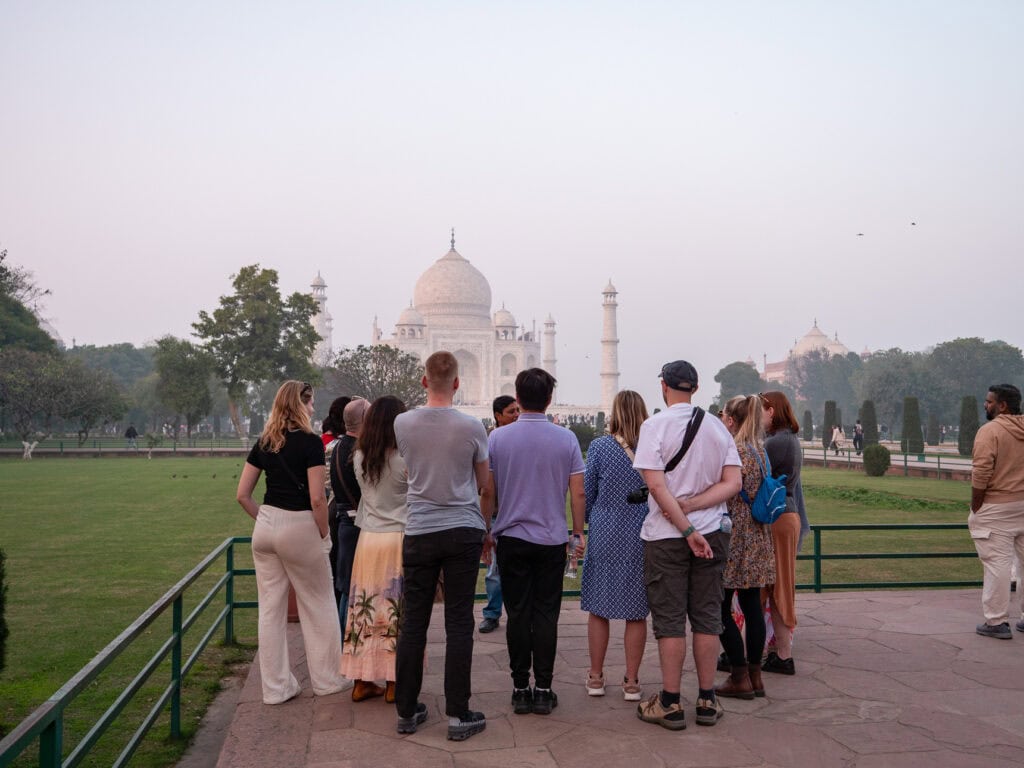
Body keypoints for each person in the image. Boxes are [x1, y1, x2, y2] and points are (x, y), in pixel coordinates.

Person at [633, 360, 741, 730]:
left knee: (669, 621)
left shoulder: (654, 426)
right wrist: (696, 510)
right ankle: (708, 699)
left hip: (667, 536)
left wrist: (683, 523)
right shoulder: (715, 426)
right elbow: (733, 483)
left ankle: (670, 702)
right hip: (712, 531)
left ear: (663, 385)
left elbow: (657, 487)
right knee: (708, 618)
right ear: (695, 388)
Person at [393, 351, 489, 741]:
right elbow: (483, 482)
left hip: (419, 529)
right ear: (457, 383)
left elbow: (408, 466)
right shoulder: (472, 427)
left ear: (422, 381)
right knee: (459, 621)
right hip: (462, 529)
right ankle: (458, 713)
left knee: (413, 620)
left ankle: (406, 711)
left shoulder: (403, 422)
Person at [235, 381, 351, 704]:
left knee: (270, 609)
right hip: (299, 523)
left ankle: (275, 688)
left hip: (267, 524)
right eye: (311, 402)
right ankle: (328, 679)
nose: (314, 408)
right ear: (301, 404)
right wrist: (325, 535)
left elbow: (242, 495)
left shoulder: (265, 441)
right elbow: (317, 499)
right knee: (319, 602)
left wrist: (265, 520)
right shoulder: (311, 443)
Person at [485, 368, 585, 716]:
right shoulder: (566, 438)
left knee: (517, 614)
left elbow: (489, 491)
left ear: (518, 395)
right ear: (549, 398)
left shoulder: (498, 439)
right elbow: (578, 491)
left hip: (511, 536)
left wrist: (487, 529)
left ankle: (519, 688)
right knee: (545, 614)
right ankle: (543, 689)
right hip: (550, 538)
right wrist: (577, 532)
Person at [580, 390, 650, 701]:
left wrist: (585, 522)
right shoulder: (651, 448)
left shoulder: (599, 446)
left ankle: (596, 677)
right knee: (636, 611)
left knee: (599, 607)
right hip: (641, 531)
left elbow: (588, 491)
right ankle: (632, 681)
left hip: (606, 529)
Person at [342, 396, 408, 701]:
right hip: (398, 538)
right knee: (396, 611)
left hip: (368, 540)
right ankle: (395, 681)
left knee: (364, 611)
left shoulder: (360, 457)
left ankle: (361, 679)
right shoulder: (404, 458)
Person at [714, 395, 776, 700]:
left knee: (720, 607)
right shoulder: (760, 451)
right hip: (758, 536)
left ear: (732, 420)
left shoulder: (736, 451)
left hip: (736, 536)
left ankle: (739, 675)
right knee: (753, 608)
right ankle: (756, 677)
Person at [760, 390, 809, 675]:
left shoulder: (777, 442)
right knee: (775, 585)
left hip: (777, 515)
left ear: (773, 411)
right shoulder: (787, 439)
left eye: (762, 411)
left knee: (777, 586)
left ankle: (783, 653)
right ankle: (780, 651)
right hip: (784, 513)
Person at [969, 384, 1024, 639]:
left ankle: (996, 622)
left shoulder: (990, 431)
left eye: (989, 401)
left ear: (1002, 406)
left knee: (997, 563)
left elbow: (981, 472)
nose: (985, 405)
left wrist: (976, 504)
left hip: (997, 505)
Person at [479, 394, 520, 634]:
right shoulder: (490, 440)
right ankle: (492, 614)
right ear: (497, 415)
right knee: (494, 570)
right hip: (497, 513)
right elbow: (485, 487)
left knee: (517, 569)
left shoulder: (519, 438)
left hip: (517, 512)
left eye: (517, 411)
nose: (516, 416)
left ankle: (517, 613)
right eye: (511, 412)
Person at [331, 398, 370, 631]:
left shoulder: (339, 446)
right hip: (356, 523)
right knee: (352, 588)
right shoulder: (356, 451)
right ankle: (345, 641)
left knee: (347, 586)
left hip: (345, 522)